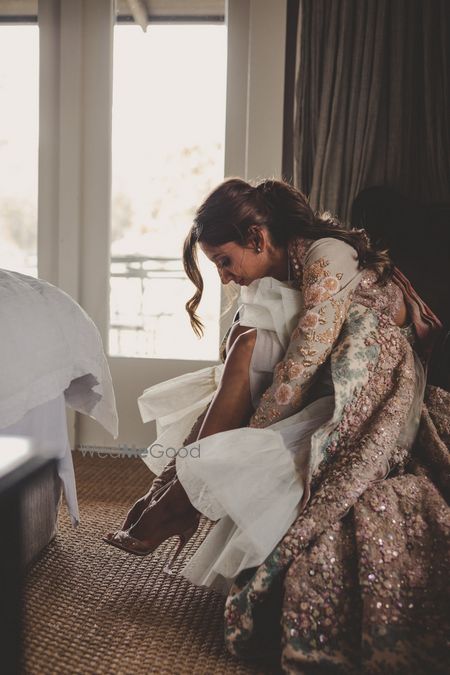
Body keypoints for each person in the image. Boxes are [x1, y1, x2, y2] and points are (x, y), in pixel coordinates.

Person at [104, 178, 447, 669]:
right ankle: (177, 490)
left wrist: (253, 438)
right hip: (330, 363)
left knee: (252, 346)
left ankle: (179, 498)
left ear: (258, 238)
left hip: (369, 376)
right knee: (247, 338)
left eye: (224, 260)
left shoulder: (325, 253)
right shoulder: (285, 268)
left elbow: (307, 360)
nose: (224, 276)